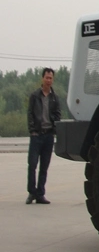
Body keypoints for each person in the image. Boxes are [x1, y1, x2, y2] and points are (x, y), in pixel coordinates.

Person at [26, 68, 61, 205]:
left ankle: (40, 194)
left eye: (51, 78)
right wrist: (32, 130)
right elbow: (30, 113)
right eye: (46, 77)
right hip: (36, 136)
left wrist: (53, 127)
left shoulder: (54, 97)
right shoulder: (35, 96)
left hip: (48, 136)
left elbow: (58, 114)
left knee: (44, 167)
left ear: (53, 80)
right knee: (32, 165)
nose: (48, 80)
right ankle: (31, 192)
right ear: (42, 79)